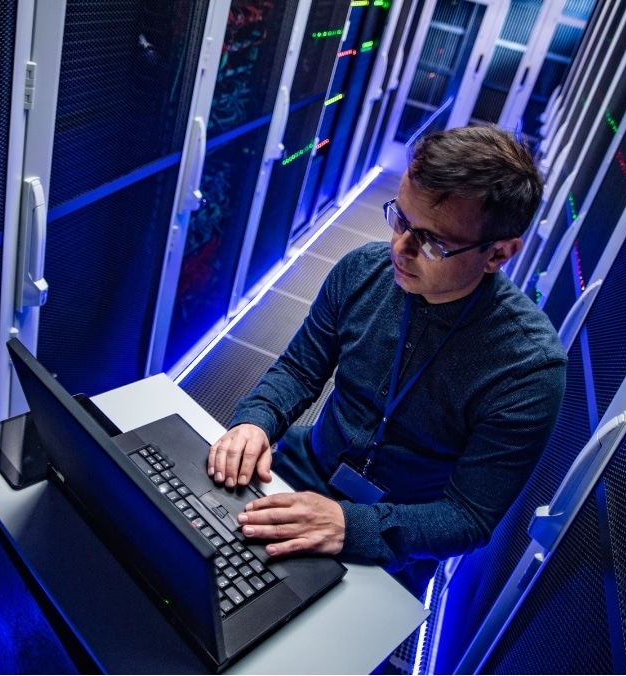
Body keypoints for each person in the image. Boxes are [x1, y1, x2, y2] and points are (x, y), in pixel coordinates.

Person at [207, 125, 567, 596]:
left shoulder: (528, 368)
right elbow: (298, 371)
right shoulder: (361, 269)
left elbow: (468, 517)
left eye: (432, 242)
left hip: (399, 534)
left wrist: (349, 525)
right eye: (400, 219)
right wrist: (255, 422)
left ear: (498, 253)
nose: (400, 248)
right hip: (301, 467)